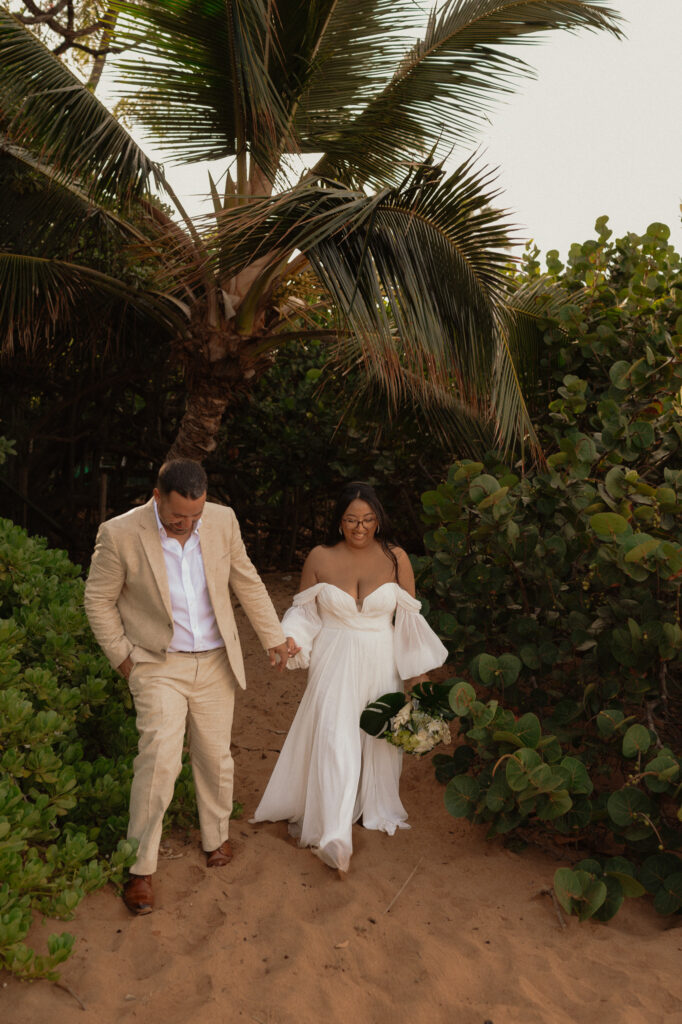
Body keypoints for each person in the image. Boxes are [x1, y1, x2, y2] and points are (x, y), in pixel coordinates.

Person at [84, 458, 293, 915]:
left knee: (215, 755)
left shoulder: (222, 521)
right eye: (179, 515)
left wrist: (273, 636)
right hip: (157, 662)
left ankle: (216, 838)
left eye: (195, 515)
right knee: (159, 759)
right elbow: (97, 600)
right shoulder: (119, 534)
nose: (187, 523)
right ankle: (140, 869)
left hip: (216, 659)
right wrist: (124, 658)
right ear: (157, 497)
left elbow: (247, 579)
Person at [251, 481, 448, 873]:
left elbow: (408, 621)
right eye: (351, 520)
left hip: (381, 659)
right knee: (335, 740)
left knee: (375, 739)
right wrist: (290, 641)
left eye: (368, 520)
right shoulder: (320, 556)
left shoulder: (396, 558)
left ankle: (365, 807)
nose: (360, 528)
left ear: (379, 520)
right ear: (339, 521)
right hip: (334, 660)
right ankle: (335, 835)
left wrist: (418, 680)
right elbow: (304, 614)